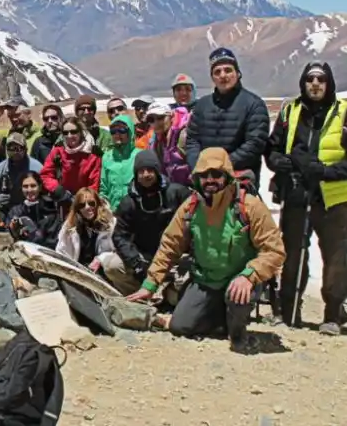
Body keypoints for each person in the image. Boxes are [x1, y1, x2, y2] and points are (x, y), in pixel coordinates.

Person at [128, 148, 285, 348]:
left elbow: (274, 250)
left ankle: (237, 332)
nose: (210, 180)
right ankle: (219, 318)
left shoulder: (250, 206)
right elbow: (170, 245)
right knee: (180, 326)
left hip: (240, 279)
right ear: (197, 178)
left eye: (217, 174)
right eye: (204, 175)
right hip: (205, 280)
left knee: (237, 295)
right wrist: (149, 285)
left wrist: (249, 275)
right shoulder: (190, 207)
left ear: (227, 176)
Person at [266, 61, 347, 332]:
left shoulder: (344, 113)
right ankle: (288, 311)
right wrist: (280, 162)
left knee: (336, 256)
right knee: (291, 252)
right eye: (310, 79)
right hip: (296, 192)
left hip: (333, 197)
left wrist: (326, 171)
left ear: (329, 83)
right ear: (303, 83)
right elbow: (273, 148)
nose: (315, 84)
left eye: (321, 79)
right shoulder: (291, 111)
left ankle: (333, 315)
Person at [105, 151, 190, 295]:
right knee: (112, 266)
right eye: (141, 171)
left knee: (179, 290)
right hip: (144, 257)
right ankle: (139, 296)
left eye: (150, 170)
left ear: (157, 171)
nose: (146, 175)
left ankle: (164, 296)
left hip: (175, 256)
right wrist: (136, 263)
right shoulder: (128, 202)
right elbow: (120, 237)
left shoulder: (178, 193)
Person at [186, 47, 269, 185]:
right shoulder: (202, 105)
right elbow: (192, 141)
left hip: (240, 179)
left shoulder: (254, 104)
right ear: (212, 77)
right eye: (217, 72)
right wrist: (200, 166)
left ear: (238, 73)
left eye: (228, 70)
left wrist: (221, 165)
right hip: (206, 179)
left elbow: (254, 144)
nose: (223, 75)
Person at [41, 117, 101, 204]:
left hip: (84, 203)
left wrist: (83, 200)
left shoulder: (92, 155)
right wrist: (56, 188)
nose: (69, 136)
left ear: (81, 132)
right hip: (62, 201)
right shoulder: (57, 151)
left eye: (73, 132)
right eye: (65, 133)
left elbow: (94, 184)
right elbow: (46, 174)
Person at [55, 188, 116, 272]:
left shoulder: (110, 223)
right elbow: (61, 252)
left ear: (97, 203)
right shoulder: (69, 226)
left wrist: (100, 259)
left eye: (91, 203)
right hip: (77, 271)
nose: (87, 207)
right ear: (77, 208)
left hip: (102, 270)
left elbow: (115, 251)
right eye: (82, 205)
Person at [0, 132, 43, 214]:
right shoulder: (0, 169)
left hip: (34, 209)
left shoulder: (37, 168)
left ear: (25, 149)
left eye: (18, 148)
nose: (15, 152)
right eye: (11, 148)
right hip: (8, 210)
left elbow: (46, 192)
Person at [5, 172, 62, 248]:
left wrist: (35, 234)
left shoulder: (50, 212)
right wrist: (13, 232)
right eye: (25, 186)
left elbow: (53, 242)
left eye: (33, 186)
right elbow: (7, 237)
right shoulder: (15, 211)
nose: (29, 190)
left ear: (40, 187)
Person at [100, 115, 141, 211]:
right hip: (114, 210)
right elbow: (103, 187)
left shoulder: (139, 154)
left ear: (130, 132)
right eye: (113, 131)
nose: (117, 134)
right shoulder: (107, 157)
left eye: (122, 131)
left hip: (136, 210)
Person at [146, 102, 190, 186]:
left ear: (171, 117)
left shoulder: (184, 136)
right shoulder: (155, 142)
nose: (156, 123)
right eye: (151, 120)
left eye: (160, 118)